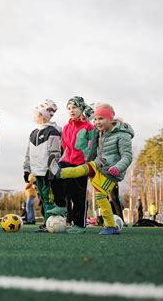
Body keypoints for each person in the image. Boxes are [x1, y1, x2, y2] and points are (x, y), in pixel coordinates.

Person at [49, 103, 134, 235]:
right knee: (81, 169)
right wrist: (89, 158)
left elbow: (127, 156)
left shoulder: (123, 135)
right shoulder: (100, 132)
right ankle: (59, 172)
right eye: (95, 119)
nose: (97, 122)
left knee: (100, 196)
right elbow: (94, 149)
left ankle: (111, 226)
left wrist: (117, 168)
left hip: (111, 172)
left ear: (110, 119)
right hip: (99, 164)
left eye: (101, 119)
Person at [50, 96, 93, 234]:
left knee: (78, 195)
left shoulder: (89, 127)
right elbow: (65, 146)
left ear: (81, 109)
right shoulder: (67, 127)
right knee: (53, 174)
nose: (71, 110)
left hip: (81, 164)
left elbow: (93, 147)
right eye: (69, 108)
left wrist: (89, 162)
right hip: (66, 160)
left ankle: (79, 225)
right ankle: (61, 205)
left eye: (74, 107)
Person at [23, 99, 63, 232]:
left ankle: (50, 223)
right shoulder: (33, 132)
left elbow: (55, 153)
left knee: (48, 199)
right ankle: (47, 222)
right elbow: (28, 153)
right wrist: (26, 169)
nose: (34, 116)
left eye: (36, 114)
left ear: (43, 115)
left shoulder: (53, 131)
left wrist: (52, 170)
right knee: (43, 199)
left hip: (47, 172)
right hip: (36, 172)